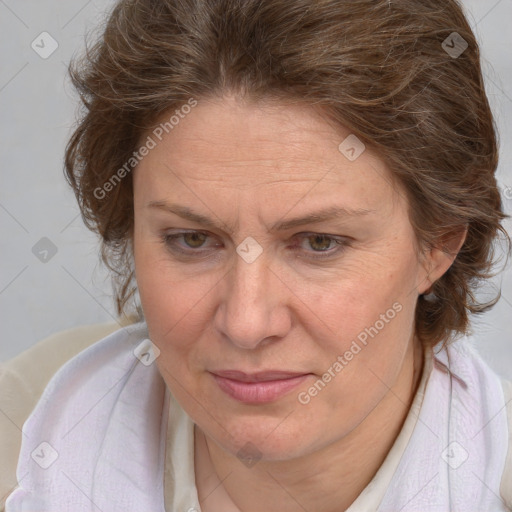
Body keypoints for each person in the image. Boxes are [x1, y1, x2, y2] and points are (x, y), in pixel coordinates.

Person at [2, 0, 512, 510]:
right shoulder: (22, 432)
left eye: (319, 242)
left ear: (439, 243)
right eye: (193, 239)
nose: (246, 323)